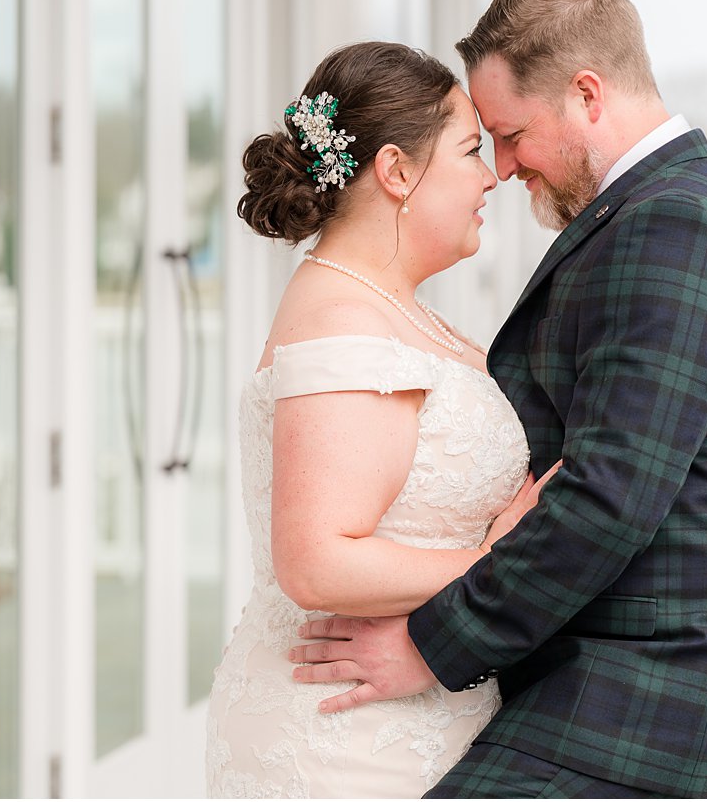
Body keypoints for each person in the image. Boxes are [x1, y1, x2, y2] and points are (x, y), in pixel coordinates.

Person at [290, 0, 707, 798]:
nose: (502, 164)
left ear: (588, 96)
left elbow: (607, 498)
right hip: (600, 685)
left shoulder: (672, 226)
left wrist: (428, 644)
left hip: (641, 701)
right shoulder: (653, 212)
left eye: (511, 132)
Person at [205, 41, 559, 797]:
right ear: (396, 170)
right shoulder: (342, 319)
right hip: (345, 738)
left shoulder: (388, 305)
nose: (492, 174)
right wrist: (497, 562)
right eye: (469, 150)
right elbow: (316, 561)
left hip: (406, 713)